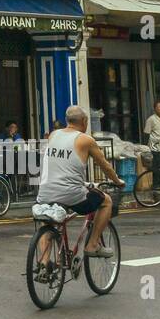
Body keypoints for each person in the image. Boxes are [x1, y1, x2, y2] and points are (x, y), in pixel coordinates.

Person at [35, 105, 125, 264]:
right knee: (106, 201)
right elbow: (104, 165)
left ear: (67, 120)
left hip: (45, 193)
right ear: (84, 121)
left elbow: (62, 166)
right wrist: (117, 181)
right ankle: (92, 244)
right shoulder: (85, 140)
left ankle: (44, 264)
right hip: (72, 195)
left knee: (47, 223)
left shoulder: (53, 135)